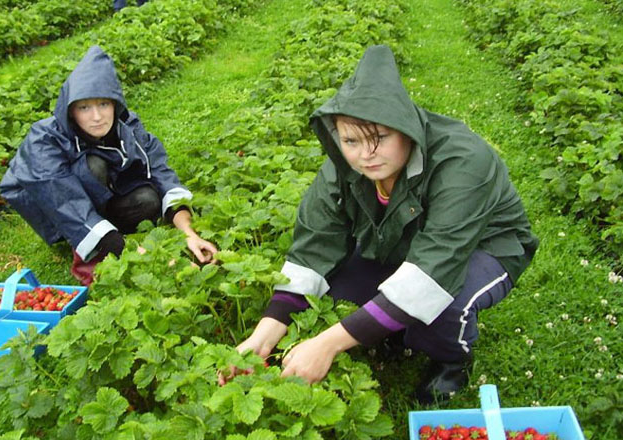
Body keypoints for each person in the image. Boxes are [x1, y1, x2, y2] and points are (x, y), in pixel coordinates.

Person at [223, 45, 539, 404]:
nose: (366, 154)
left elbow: (434, 271)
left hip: (484, 245)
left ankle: (450, 361)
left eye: (380, 138)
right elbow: (314, 250)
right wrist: (262, 338)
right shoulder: (344, 168)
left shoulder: (463, 161)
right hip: (401, 239)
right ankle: (389, 328)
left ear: (407, 129)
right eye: (351, 140)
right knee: (335, 291)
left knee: (443, 304)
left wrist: (327, 344)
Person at [0, 45, 217, 286]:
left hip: (93, 192)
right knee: (92, 167)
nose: (97, 117)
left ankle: (104, 232)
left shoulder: (128, 125)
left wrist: (189, 234)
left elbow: (160, 173)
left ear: (115, 104)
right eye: (84, 107)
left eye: (103, 104)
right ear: (71, 111)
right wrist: (145, 257)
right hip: (49, 206)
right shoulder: (44, 141)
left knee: (148, 199)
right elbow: (64, 202)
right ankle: (87, 253)